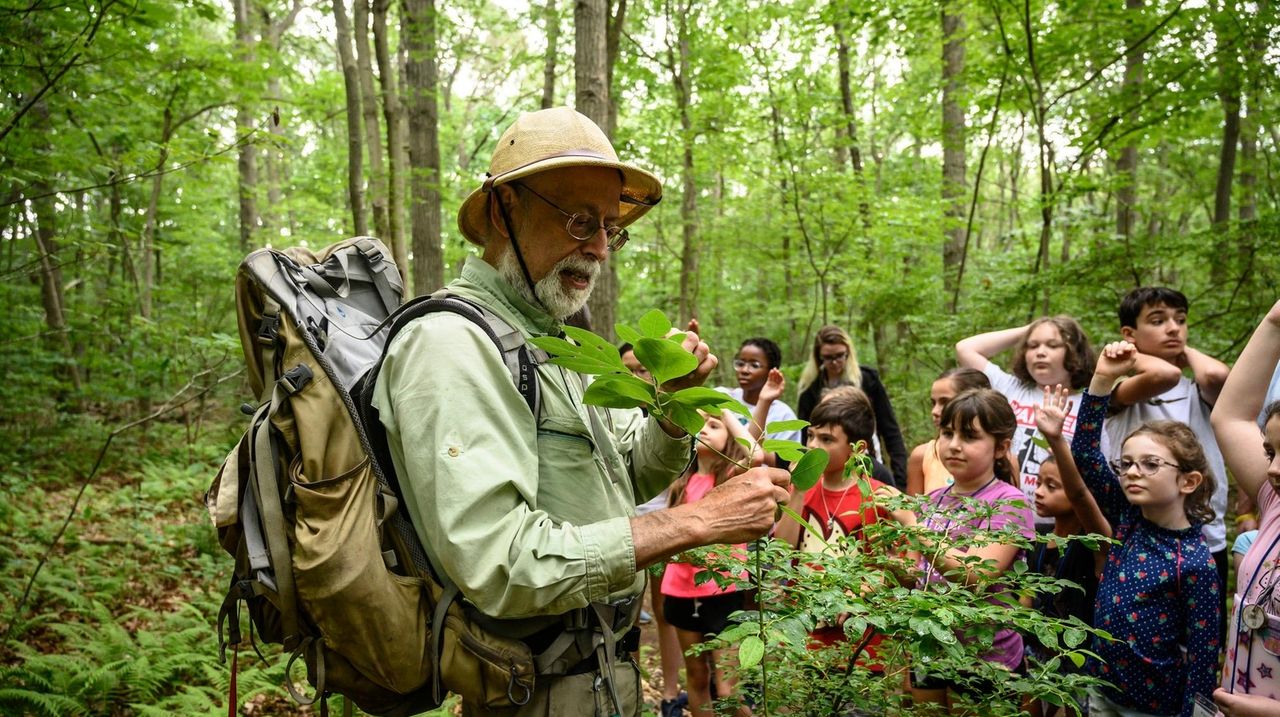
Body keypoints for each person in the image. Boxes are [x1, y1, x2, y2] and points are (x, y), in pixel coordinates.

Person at [371, 107, 790, 716]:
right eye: (579, 221)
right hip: (533, 690)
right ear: (503, 211)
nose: (598, 248)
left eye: (610, 229)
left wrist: (671, 408)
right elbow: (498, 564)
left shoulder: (553, 342)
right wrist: (697, 520)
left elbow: (629, 476)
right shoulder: (450, 344)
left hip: (601, 673)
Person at [1071, 341, 1220, 717]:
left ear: (1188, 481)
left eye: (1151, 464)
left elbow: (1203, 660)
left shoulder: (1195, 562)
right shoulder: (1128, 519)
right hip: (1100, 690)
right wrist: (1102, 379)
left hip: (1153, 708)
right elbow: (1085, 454)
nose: (1133, 472)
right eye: (1127, 464)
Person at [1103, 287, 1232, 622]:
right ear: (1129, 333)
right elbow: (1165, 375)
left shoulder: (1199, 393)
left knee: (1203, 636)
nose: (1174, 328)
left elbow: (1216, 375)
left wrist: (1181, 349)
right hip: (1138, 538)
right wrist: (1132, 355)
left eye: (1181, 320)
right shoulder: (1120, 391)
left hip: (1205, 538)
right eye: (1158, 321)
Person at [911, 388, 1035, 713]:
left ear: (1001, 447)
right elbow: (917, 575)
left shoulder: (1009, 502)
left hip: (986, 654)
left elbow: (975, 575)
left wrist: (912, 528)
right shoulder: (933, 500)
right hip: (931, 643)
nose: (954, 445)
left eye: (969, 436)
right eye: (947, 433)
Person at [774, 388, 915, 660]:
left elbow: (902, 571)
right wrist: (799, 489)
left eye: (826, 439)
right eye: (811, 436)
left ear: (857, 449)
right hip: (804, 637)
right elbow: (780, 551)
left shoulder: (878, 496)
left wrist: (863, 591)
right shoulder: (802, 491)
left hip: (863, 646)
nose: (813, 446)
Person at [955, 316, 1099, 530]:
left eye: (1052, 345)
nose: (1040, 352)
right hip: (1002, 519)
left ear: (1075, 352)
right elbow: (965, 348)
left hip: (1060, 525)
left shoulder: (1089, 405)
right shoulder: (1010, 389)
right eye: (1032, 345)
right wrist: (1031, 329)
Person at [662, 411, 756, 717]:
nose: (704, 429)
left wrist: (725, 410)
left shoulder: (730, 478)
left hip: (722, 591)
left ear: (729, 438)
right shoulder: (681, 481)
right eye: (699, 423)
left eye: (714, 426)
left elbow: (756, 455)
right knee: (697, 677)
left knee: (728, 688)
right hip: (679, 590)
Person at [1211, 298, 1280, 714]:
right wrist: (1274, 321)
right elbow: (1231, 417)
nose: (1273, 469)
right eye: (1271, 451)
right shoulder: (1275, 502)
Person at [1025, 385, 1111, 717]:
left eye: (1052, 486)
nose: (1039, 492)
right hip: (1035, 658)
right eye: (1039, 483)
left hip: (1077, 664)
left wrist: (1056, 439)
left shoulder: (1093, 544)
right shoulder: (1037, 538)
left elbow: (1079, 495)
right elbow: (1026, 601)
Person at [797, 325, 908, 487]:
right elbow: (805, 436)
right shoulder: (810, 391)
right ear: (819, 358)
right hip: (826, 468)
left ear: (848, 353)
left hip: (867, 463)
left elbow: (890, 429)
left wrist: (900, 480)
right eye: (828, 357)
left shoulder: (867, 381)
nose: (835, 362)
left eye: (840, 355)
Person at [906, 367, 996, 495]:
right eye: (933, 403)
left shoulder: (1001, 457)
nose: (935, 411)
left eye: (945, 402)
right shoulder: (922, 456)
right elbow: (913, 507)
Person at [718, 337, 802, 445]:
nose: (744, 370)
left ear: (772, 370)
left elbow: (781, 458)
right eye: (740, 363)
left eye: (754, 365)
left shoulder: (783, 416)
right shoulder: (722, 397)